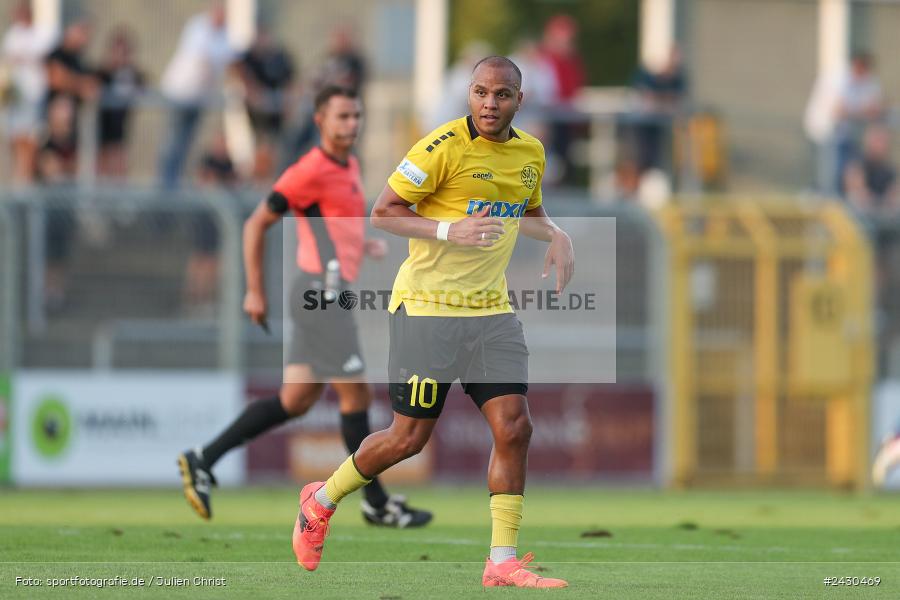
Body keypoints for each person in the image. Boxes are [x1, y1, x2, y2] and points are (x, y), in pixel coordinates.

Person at [291, 57, 574, 588]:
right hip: (426, 308)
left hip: (490, 311)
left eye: (502, 95)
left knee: (515, 426)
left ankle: (502, 561)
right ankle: (321, 499)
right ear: (468, 95)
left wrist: (556, 233)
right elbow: (383, 211)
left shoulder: (531, 152)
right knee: (407, 439)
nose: (490, 104)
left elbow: (526, 212)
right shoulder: (441, 146)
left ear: (520, 100)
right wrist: (449, 231)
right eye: (481, 93)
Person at [178, 85, 433, 529]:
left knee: (294, 400)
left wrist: (362, 243)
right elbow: (257, 224)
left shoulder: (349, 165)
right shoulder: (308, 170)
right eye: (342, 118)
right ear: (319, 121)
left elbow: (332, 225)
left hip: (326, 292)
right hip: (320, 296)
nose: (352, 125)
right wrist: (254, 290)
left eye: (356, 116)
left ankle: (203, 457)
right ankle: (375, 502)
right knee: (355, 395)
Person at [158, 1, 236, 188]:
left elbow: (231, 59)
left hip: (199, 98)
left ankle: (176, 182)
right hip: (180, 93)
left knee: (186, 143)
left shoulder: (224, 35)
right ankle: (166, 185)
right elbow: (207, 58)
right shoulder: (198, 27)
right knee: (172, 142)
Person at [1, 2, 56, 184]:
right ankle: (20, 178)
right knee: (17, 138)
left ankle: (26, 179)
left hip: (34, 96)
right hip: (16, 98)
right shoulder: (12, 35)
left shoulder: (41, 34)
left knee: (31, 140)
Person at [236, 26, 295, 181]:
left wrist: (288, 102)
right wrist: (253, 91)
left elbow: (291, 80)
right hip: (256, 114)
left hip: (276, 113)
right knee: (260, 146)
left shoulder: (280, 56)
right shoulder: (250, 56)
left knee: (274, 148)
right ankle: (257, 179)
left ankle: (273, 178)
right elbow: (237, 68)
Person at [95, 27, 144, 179]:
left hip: (120, 130)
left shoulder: (132, 75)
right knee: (101, 168)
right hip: (101, 130)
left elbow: (143, 87)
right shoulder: (102, 74)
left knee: (119, 167)